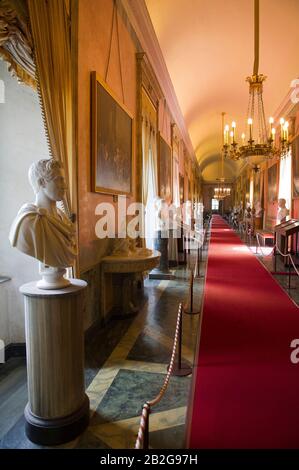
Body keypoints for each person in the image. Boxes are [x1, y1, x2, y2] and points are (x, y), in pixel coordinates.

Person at [9, 158, 77, 288]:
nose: (65, 186)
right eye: (59, 180)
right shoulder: (28, 222)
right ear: (42, 183)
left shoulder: (62, 217)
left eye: (64, 180)